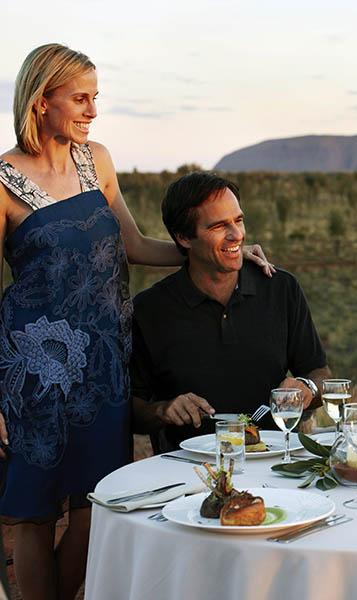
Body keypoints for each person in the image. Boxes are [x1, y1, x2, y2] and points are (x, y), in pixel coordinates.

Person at [0, 44, 271, 600]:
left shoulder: (94, 160)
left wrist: (221, 249)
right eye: (80, 98)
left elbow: (133, 245)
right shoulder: (1, 181)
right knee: (32, 511)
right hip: (34, 371)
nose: (92, 110)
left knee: (96, 504)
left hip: (103, 364)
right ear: (40, 100)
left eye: (95, 97)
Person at [130, 171, 331, 450]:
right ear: (184, 238)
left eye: (238, 220)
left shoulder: (280, 288)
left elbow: (320, 373)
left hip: (273, 460)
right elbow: (133, 411)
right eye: (218, 226)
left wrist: (307, 388)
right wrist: (163, 410)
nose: (237, 235)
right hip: (189, 471)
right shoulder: (149, 310)